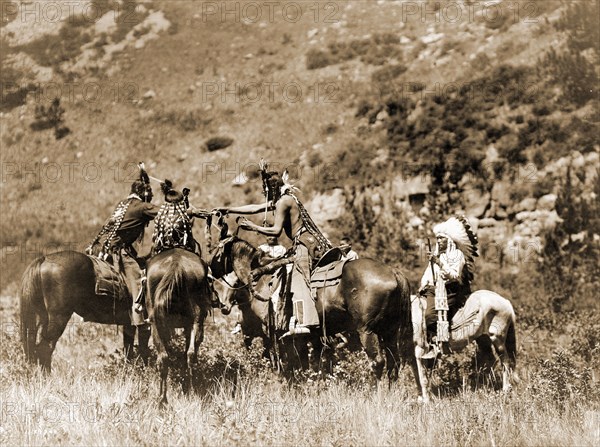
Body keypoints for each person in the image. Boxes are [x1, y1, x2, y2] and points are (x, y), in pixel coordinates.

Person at [215, 160, 332, 336]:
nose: (265, 194)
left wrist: (254, 227)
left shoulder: (283, 202)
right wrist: (229, 209)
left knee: (299, 277)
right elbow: (255, 208)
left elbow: (276, 231)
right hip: (305, 241)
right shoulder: (283, 199)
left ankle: (305, 321)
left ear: (272, 189)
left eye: (266, 191)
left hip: (304, 244)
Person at [87, 163, 159, 335]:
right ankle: (139, 319)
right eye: (149, 195)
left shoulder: (122, 204)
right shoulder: (142, 206)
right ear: (145, 193)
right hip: (119, 252)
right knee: (137, 282)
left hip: (99, 249)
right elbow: (164, 211)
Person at [418, 215, 478, 355]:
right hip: (434, 288)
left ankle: (436, 343)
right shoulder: (438, 254)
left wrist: (438, 262)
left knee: (429, 315)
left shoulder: (458, 255)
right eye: (437, 238)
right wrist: (424, 283)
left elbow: (454, 275)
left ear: (449, 240)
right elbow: (428, 272)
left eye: (442, 238)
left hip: (451, 290)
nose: (438, 241)